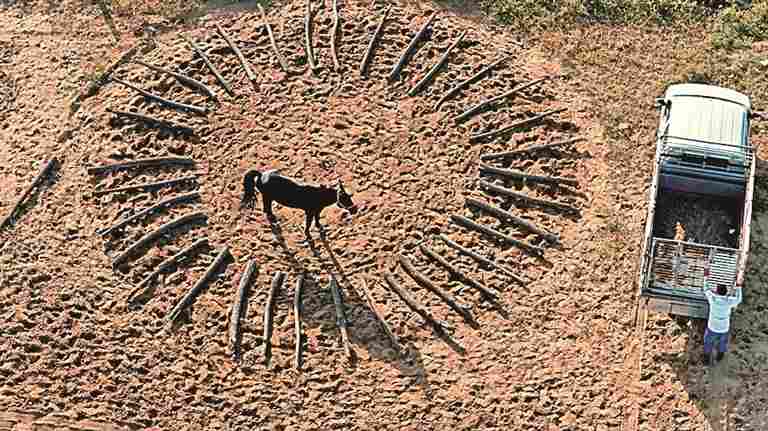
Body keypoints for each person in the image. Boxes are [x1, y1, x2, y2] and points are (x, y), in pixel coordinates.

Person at [703, 284, 742, 365]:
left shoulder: (712, 299)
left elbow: (705, 289)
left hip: (712, 327)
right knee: (723, 342)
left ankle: (706, 358)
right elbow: (739, 299)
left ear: (716, 291)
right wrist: (738, 286)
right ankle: (720, 355)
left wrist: (705, 277)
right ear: (726, 292)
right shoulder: (729, 302)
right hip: (724, 328)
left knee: (708, 342)